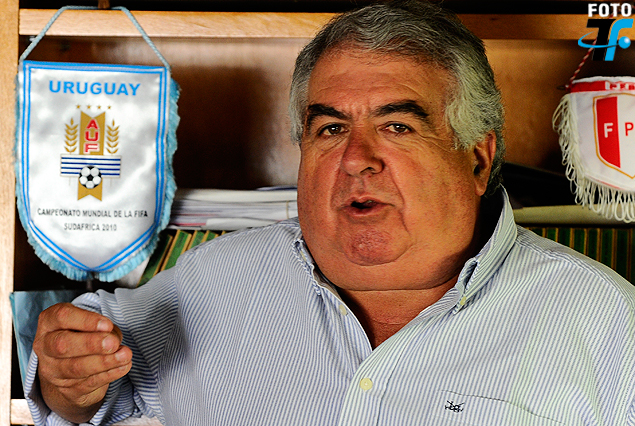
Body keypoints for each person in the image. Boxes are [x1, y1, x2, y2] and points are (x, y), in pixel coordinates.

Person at [27, 1, 635, 425]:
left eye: (397, 126)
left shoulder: (608, 324)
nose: (355, 159)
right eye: (330, 128)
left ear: (477, 159)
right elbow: (80, 386)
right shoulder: (216, 280)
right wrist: (67, 377)